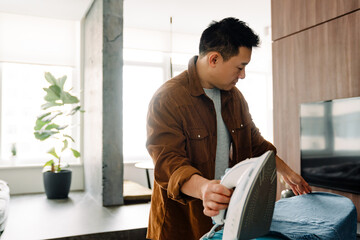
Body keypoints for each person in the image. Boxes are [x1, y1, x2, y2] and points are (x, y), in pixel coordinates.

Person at [146, 17, 312, 240]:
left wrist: (287, 172)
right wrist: (205, 189)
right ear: (214, 59)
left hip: (228, 222)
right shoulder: (168, 98)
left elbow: (254, 143)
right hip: (183, 225)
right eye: (240, 67)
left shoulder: (235, 97)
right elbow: (169, 164)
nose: (242, 75)